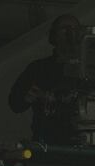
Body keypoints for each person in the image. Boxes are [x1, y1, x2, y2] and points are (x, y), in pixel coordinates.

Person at [8, 14, 83, 146]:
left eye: (75, 29)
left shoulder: (89, 69)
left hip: (82, 140)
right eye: (65, 28)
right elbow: (15, 103)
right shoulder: (39, 68)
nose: (70, 33)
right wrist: (29, 97)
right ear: (54, 34)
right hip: (47, 141)